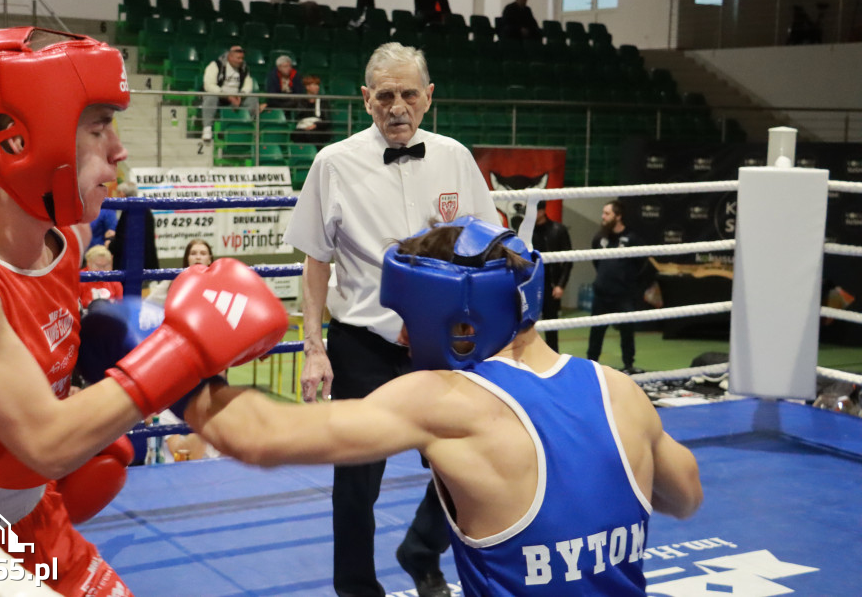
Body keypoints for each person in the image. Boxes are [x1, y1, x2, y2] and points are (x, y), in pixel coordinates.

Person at [0, 27, 288, 597]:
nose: (119, 149)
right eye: (98, 125)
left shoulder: (60, 248)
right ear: (16, 137)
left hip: (35, 524)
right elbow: (47, 441)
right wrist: (183, 346)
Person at [186, 216, 703, 597]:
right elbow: (685, 499)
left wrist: (165, 353)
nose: (405, 336)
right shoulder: (621, 391)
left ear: (462, 320)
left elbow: (258, 436)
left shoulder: (445, 400)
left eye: (412, 316)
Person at [283, 42, 499, 597]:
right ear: (365, 100)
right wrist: (313, 347)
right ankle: (356, 589)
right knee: (355, 481)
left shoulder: (455, 157)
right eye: (385, 96)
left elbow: (491, 246)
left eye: (408, 94)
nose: (397, 106)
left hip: (442, 343)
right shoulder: (333, 163)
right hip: (363, 343)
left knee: (471, 456)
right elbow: (315, 263)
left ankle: (423, 548)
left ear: (428, 97)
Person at [587, 200, 647, 374]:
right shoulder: (600, 238)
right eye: (603, 213)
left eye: (607, 213)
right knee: (596, 333)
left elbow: (642, 263)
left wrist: (628, 281)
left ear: (618, 216)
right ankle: (591, 366)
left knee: (627, 333)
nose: (603, 217)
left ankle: (628, 365)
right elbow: (596, 262)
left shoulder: (632, 238)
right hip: (602, 294)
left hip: (623, 295)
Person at [531, 201, 572, 352]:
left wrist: (561, 284)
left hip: (551, 285)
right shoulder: (527, 231)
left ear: (541, 211)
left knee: (551, 327)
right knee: (528, 326)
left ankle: (553, 358)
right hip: (533, 284)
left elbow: (568, 260)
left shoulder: (558, 230)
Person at [200, 44, 259, 143]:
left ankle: (242, 127)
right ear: (230, 57)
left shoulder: (244, 68)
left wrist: (241, 95)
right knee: (210, 96)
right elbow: (209, 85)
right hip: (219, 96)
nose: (241, 60)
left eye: (242, 58)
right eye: (238, 58)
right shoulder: (215, 65)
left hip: (236, 96)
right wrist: (227, 95)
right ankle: (207, 128)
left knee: (253, 100)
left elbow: (248, 85)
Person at [109, 181, 160, 277]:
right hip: (145, 262)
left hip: (131, 264)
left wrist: (111, 245)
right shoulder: (145, 210)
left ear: (122, 194)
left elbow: (122, 239)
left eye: (118, 193)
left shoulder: (129, 212)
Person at [291, 74, 333, 147]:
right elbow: (298, 116)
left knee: (312, 134)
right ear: (307, 87)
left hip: (319, 128)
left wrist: (315, 125)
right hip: (304, 127)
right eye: (314, 85)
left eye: (317, 85)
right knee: (297, 134)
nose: (317, 87)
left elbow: (327, 120)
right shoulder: (300, 101)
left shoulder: (323, 102)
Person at [80, 245, 124, 310]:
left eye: (106, 265)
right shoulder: (80, 278)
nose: (102, 269)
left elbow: (119, 306)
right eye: (98, 265)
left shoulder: (114, 279)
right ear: (89, 263)